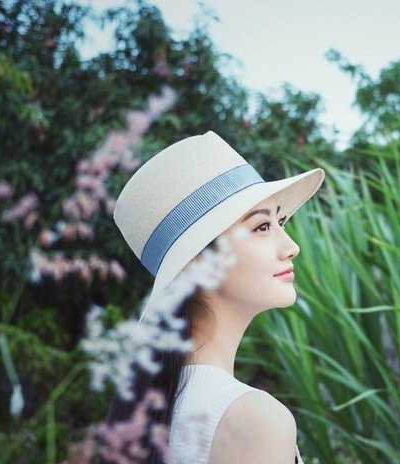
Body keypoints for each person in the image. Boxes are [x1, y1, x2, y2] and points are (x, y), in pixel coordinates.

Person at [106, 130, 325, 463]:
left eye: (280, 221)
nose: (291, 247)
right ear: (198, 261)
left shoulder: (160, 409)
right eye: (262, 227)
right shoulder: (253, 419)